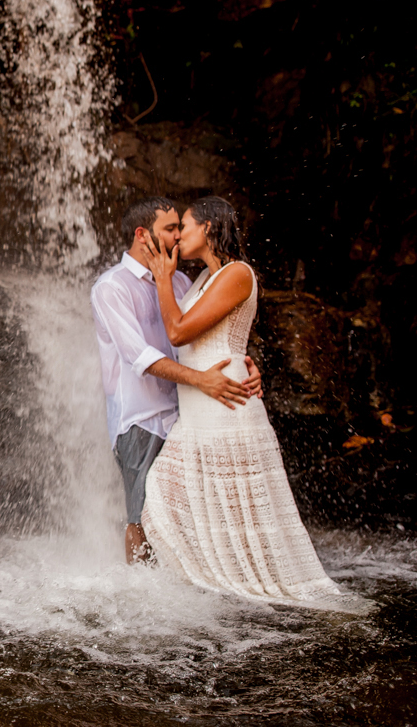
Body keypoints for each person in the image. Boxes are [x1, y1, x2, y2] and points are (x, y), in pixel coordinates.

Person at [139, 196, 369, 612]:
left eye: (185, 228)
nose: (177, 238)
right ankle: (208, 588)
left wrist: (160, 277)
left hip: (226, 412)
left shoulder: (237, 273)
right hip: (201, 411)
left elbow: (178, 333)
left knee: (242, 518)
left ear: (208, 228)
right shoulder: (202, 281)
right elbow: (214, 340)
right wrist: (250, 362)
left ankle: (243, 593)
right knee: (163, 499)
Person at [90, 196, 262, 565]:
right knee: (141, 514)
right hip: (143, 418)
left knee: (191, 513)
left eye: (181, 227)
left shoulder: (184, 280)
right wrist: (201, 380)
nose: (178, 236)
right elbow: (141, 357)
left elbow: (208, 335)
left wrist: (244, 364)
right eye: (171, 229)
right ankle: (141, 594)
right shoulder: (111, 288)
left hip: (189, 416)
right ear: (142, 235)